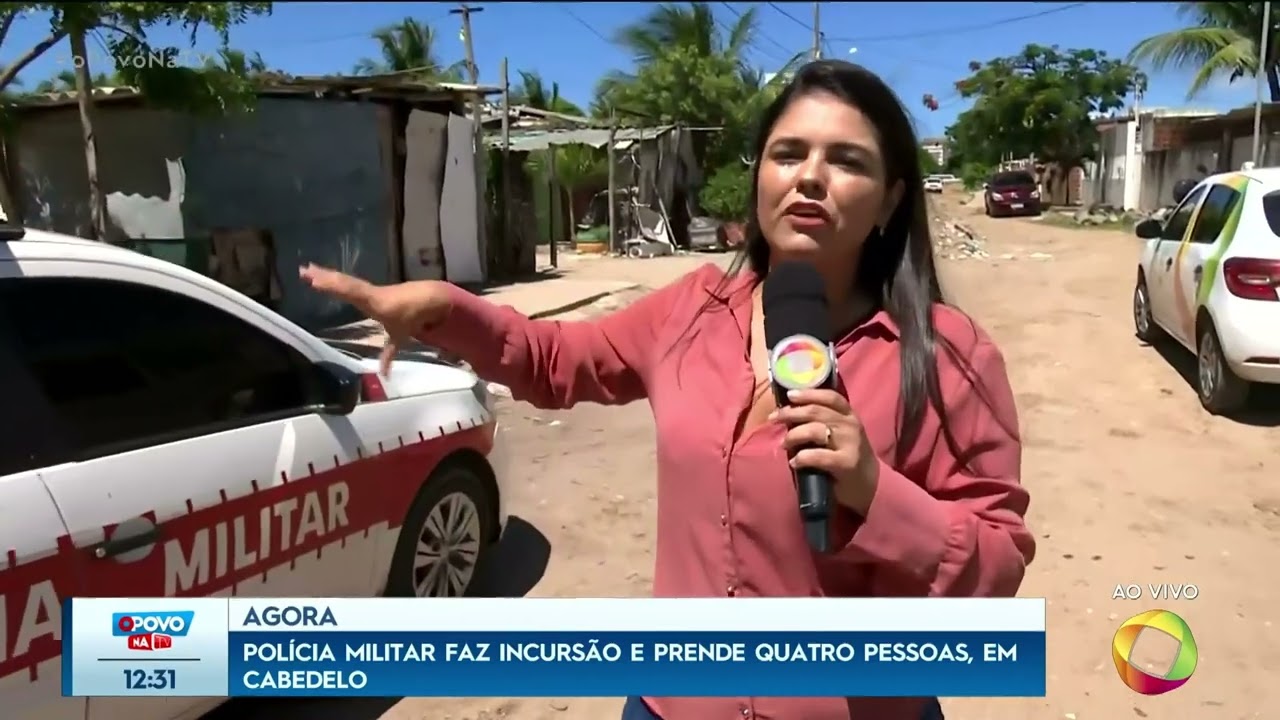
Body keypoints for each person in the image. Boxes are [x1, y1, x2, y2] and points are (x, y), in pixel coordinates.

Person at [300, 60, 1035, 720]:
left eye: (847, 161)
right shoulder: (692, 309)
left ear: (889, 200)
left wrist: (876, 493)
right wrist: (445, 310)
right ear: (760, 179)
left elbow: (996, 568)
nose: (810, 176)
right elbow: (559, 358)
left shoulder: (947, 356)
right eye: (788, 154)